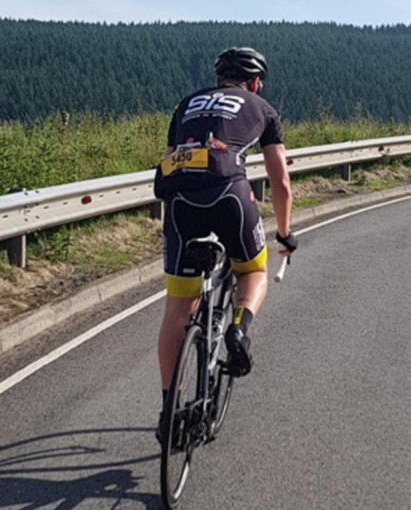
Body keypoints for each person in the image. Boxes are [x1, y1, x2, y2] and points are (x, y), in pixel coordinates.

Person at [153, 47, 298, 426]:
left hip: (180, 204)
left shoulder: (186, 105)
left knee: (177, 310)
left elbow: (167, 162)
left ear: (218, 80)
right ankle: (237, 329)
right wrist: (285, 234)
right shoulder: (261, 108)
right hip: (228, 195)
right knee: (253, 271)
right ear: (255, 83)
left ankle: (169, 412)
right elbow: (280, 182)